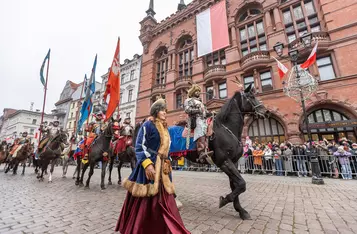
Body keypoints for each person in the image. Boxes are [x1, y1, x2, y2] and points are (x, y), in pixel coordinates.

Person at [115, 97, 190, 234]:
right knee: (146, 200)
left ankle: (164, 227)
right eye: (162, 110)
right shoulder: (147, 125)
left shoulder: (165, 127)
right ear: (156, 111)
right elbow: (139, 146)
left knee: (166, 199)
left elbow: (169, 147)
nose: (164, 113)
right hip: (149, 166)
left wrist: (183, 136)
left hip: (164, 167)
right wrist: (147, 164)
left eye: (165, 110)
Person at [184, 84, 213, 163]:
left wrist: (211, 113)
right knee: (200, 130)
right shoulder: (188, 100)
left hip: (203, 119)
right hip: (195, 120)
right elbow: (187, 110)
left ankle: (207, 149)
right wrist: (198, 110)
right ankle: (201, 151)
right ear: (193, 92)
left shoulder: (200, 102)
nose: (198, 93)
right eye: (197, 91)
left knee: (208, 129)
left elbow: (205, 112)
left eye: (199, 91)